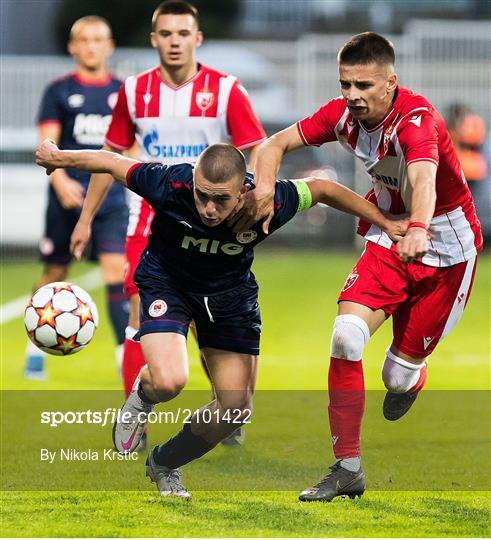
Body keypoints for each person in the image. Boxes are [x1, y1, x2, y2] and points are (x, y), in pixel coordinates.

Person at [36, 138, 406, 499]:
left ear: (243, 190)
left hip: (230, 299)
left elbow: (323, 189)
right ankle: (143, 395)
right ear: (193, 182)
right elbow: (110, 162)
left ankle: (164, 463)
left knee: (235, 410)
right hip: (168, 284)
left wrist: (385, 222)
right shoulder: (170, 183)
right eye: (202, 196)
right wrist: (59, 157)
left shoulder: (268, 201)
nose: (209, 209)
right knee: (170, 381)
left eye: (220, 200)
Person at [251, 32, 483, 502]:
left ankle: (411, 374)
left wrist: (420, 225)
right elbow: (272, 145)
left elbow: (423, 176)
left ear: (390, 83)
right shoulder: (339, 116)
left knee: (395, 377)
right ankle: (347, 467)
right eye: (345, 85)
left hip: (447, 249)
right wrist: (262, 190)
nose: (352, 96)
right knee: (345, 336)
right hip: (388, 234)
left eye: (363, 86)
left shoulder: (417, 121)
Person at [70, 1, 266, 445]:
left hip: (211, 221)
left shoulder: (227, 90)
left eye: (183, 33)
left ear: (196, 38)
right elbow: (110, 160)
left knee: (208, 317)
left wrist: (250, 197)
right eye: (166, 33)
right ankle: (134, 418)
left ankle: (225, 410)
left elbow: (257, 149)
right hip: (150, 219)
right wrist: (86, 219)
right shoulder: (134, 91)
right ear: (153, 39)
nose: (174, 41)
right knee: (141, 316)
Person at [24, 16, 129, 380]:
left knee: (117, 271)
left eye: (98, 39)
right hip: (66, 198)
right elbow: (47, 145)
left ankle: (122, 356)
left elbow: (128, 147)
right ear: (72, 47)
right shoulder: (58, 91)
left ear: (109, 45)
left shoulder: (122, 93)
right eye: (83, 39)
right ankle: (33, 346)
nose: (91, 45)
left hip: (110, 199)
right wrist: (61, 184)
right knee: (55, 272)